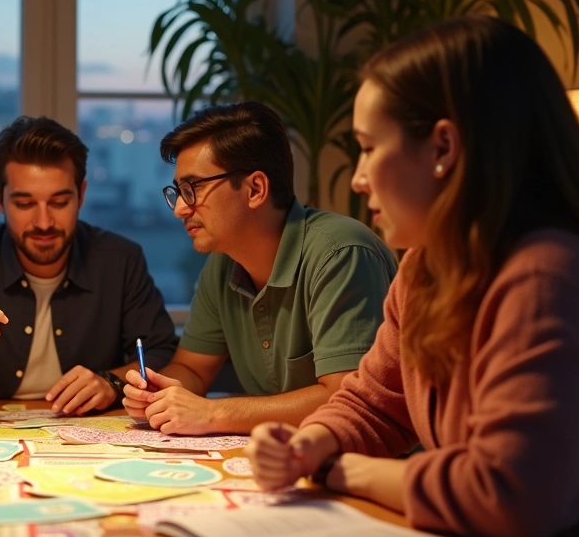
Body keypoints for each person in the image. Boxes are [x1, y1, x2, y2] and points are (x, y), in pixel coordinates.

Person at [248, 16, 579, 537]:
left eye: (368, 148)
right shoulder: (424, 268)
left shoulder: (550, 278)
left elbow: (511, 495)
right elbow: (375, 404)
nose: (359, 178)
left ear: (443, 146)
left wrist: (342, 470)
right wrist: (311, 443)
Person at [122, 102, 399, 435]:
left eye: (193, 189)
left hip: (364, 460)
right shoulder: (223, 264)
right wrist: (157, 393)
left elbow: (347, 399)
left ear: (255, 189)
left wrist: (212, 413)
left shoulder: (341, 253)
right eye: (179, 191)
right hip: (281, 454)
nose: (180, 208)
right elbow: (192, 369)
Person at [0, 116, 176, 413]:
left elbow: (162, 353)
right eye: (24, 204)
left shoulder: (120, 261)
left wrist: (111, 382)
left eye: (59, 202)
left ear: (82, 195)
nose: (44, 222)